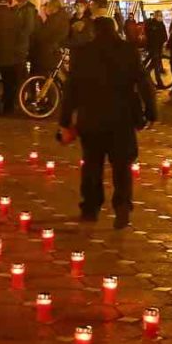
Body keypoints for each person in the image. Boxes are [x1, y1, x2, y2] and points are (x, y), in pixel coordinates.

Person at [57, 14, 157, 227]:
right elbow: (143, 82)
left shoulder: (82, 53)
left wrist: (65, 120)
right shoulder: (128, 51)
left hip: (91, 118)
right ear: (115, 30)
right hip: (121, 118)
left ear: (93, 32)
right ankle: (122, 207)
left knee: (92, 165)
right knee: (122, 166)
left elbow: (71, 89)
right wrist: (150, 112)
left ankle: (91, 208)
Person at [0, 0, 36, 115]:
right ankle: (8, 106)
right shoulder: (15, 16)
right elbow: (21, 34)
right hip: (10, 56)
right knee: (9, 82)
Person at [142, 6, 170, 91]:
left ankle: (144, 74)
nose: (159, 17)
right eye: (158, 15)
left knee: (152, 65)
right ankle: (159, 83)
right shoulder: (152, 24)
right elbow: (150, 35)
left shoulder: (160, 24)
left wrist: (163, 41)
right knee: (156, 65)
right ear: (155, 16)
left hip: (157, 47)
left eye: (160, 15)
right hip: (154, 47)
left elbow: (164, 36)